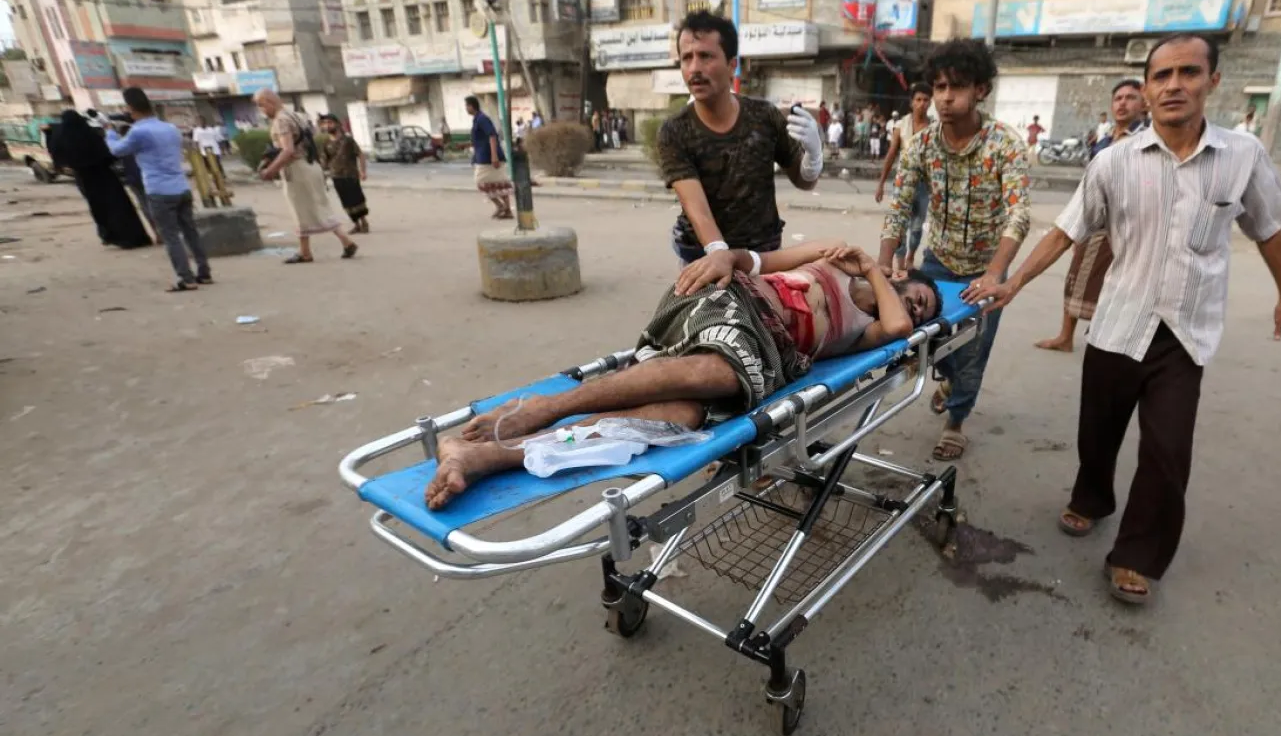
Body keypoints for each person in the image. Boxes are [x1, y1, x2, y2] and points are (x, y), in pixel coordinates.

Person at [973, 33, 1281, 605]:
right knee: (1097, 433)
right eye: (1162, 76)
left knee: (1167, 450)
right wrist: (1015, 282)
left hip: (1185, 331)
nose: (1175, 85)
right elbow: (1066, 230)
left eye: (1189, 73)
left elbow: (1269, 226)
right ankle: (1093, 497)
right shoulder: (1114, 162)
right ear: (1147, 88)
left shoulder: (1242, 156)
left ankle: (1137, 554)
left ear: (1213, 82)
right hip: (1119, 322)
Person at [423, 240, 944, 509]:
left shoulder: (870, 328)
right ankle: (546, 406)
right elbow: (754, 260)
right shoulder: (831, 258)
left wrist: (877, 274)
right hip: (728, 305)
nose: (915, 312)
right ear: (906, 277)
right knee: (716, 372)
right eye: (918, 297)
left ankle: (486, 455)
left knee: (679, 417)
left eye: (925, 313)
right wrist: (725, 258)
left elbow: (899, 327)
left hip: (763, 355)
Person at [880, 38, 1031, 462]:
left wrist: (996, 273)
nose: (945, 97)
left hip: (986, 269)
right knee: (934, 344)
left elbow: (1018, 215)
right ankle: (947, 382)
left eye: (957, 87)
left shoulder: (1005, 144)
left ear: (980, 90)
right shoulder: (922, 145)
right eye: (940, 86)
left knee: (974, 352)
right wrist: (877, 268)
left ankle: (956, 422)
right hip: (938, 263)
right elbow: (900, 206)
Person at [656, 11, 822, 266]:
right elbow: (697, 210)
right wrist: (720, 254)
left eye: (705, 56)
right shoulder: (675, 131)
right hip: (703, 257)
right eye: (686, 58)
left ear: (732, 65)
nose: (694, 68)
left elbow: (803, 182)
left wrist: (813, 158)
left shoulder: (764, 116)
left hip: (763, 256)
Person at [1035, 78, 1148, 354]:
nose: (1122, 103)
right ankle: (1066, 336)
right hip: (1090, 217)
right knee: (1076, 275)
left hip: (1121, 224)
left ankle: (1109, 342)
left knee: (1108, 285)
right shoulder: (1106, 138)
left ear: (1144, 104)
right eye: (1118, 98)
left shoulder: (1145, 140)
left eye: (1130, 97)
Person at [106, 89, 214, 291]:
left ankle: (186, 277)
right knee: (190, 232)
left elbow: (117, 150)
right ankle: (204, 272)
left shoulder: (138, 132)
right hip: (181, 186)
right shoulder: (170, 128)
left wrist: (110, 133)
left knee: (171, 236)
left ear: (130, 109)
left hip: (159, 189)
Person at [254, 89, 358, 264]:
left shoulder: (281, 121)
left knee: (305, 209)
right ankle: (306, 250)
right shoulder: (296, 115)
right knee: (312, 208)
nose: (262, 111)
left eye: (261, 106)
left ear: (269, 102)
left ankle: (344, 242)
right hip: (310, 165)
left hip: (297, 169)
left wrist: (271, 169)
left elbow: (288, 150)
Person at [49, 109, 152, 251]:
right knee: (119, 207)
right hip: (105, 177)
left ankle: (112, 237)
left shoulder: (62, 138)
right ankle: (132, 237)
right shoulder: (91, 135)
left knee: (100, 208)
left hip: (85, 179)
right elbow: (110, 154)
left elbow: (58, 156)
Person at [875, 82, 933, 266]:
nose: (922, 104)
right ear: (911, 102)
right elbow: (892, 154)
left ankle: (910, 256)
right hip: (902, 184)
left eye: (925, 100)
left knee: (917, 227)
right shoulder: (901, 125)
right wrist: (881, 184)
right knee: (898, 225)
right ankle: (900, 262)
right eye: (918, 100)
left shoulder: (935, 128)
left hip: (924, 186)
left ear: (930, 102)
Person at [319, 113, 369, 234]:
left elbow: (360, 154)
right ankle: (356, 224)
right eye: (325, 123)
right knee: (346, 202)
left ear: (337, 124)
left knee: (357, 200)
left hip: (351, 175)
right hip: (336, 176)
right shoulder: (326, 143)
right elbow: (324, 162)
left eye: (330, 123)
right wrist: (323, 176)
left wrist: (362, 171)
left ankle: (364, 222)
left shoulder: (348, 140)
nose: (327, 126)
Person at [466, 95, 513, 220]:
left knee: (491, 182)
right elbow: (478, 140)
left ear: (472, 106)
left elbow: (492, 136)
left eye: (467, 106)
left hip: (489, 157)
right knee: (491, 183)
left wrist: (494, 156)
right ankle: (502, 207)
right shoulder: (476, 120)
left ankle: (505, 208)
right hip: (482, 156)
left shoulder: (482, 118)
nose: (466, 108)